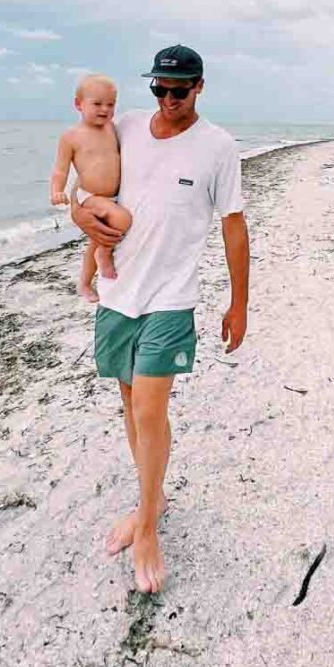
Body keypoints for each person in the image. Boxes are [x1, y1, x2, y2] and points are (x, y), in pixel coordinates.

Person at [70, 44, 250, 594]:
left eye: (180, 90)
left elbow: (234, 227)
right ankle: (155, 494)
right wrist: (81, 216)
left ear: (199, 87)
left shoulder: (218, 147)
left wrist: (240, 303)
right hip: (119, 292)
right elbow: (85, 184)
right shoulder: (123, 127)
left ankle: (147, 525)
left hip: (172, 298)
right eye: (160, 89)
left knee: (150, 409)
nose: (168, 100)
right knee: (129, 404)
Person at [50, 74, 133, 300]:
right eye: (97, 104)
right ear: (79, 104)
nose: (104, 110)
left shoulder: (113, 129)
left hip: (114, 196)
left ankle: (85, 284)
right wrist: (57, 191)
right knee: (121, 220)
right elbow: (60, 169)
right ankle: (104, 254)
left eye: (111, 104)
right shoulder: (71, 136)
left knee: (96, 239)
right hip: (91, 196)